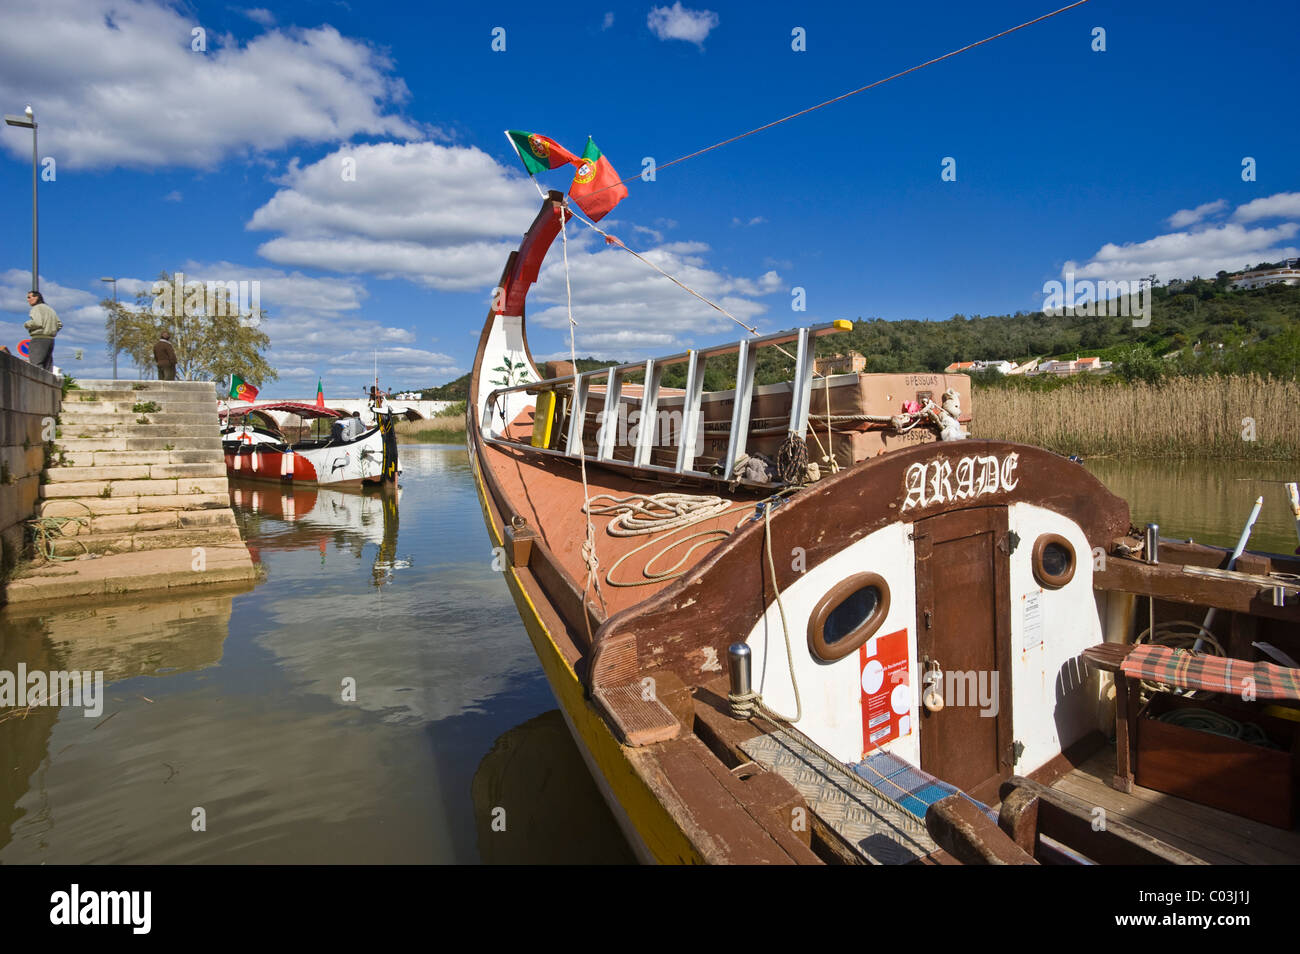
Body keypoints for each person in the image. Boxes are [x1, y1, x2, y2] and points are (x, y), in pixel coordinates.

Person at [24, 290, 61, 372]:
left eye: (29, 297)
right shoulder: (50, 309)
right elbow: (59, 324)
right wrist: (51, 329)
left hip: (39, 339)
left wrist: (27, 324)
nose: (28, 300)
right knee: (47, 366)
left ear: (36, 297)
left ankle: (37, 385)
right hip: (50, 340)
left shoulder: (36, 308)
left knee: (36, 365)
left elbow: (37, 322)